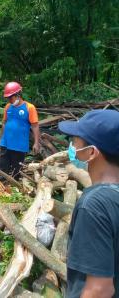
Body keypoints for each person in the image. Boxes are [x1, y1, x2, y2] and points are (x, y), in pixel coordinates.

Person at [58, 110, 119, 298]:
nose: (72, 146)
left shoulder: (94, 205)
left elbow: (99, 290)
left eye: (75, 141)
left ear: (91, 152)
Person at [0, 82, 40, 179]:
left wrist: (36, 143)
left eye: (10, 98)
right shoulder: (8, 107)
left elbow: (35, 126)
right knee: (1, 171)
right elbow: (4, 123)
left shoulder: (29, 108)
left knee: (15, 172)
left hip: (19, 145)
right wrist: (1, 139)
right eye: (7, 98)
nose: (9, 100)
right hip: (6, 143)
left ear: (18, 95)